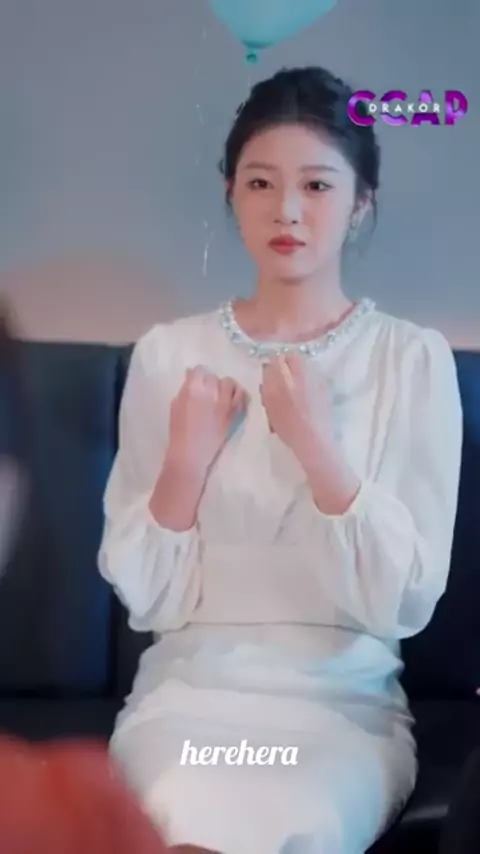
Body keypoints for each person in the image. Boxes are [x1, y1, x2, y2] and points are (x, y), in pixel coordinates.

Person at [98, 66, 463, 854]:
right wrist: (187, 460)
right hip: (188, 696)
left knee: (300, 824)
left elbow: (404, 600)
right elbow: (149, 600)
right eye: (261, 182)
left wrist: (316, 445)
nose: (287, 209)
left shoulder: (411, 361)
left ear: (360, 203)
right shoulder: (169, 355)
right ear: (231, 192)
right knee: (173, 810)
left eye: (318, 185)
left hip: (341, 706)